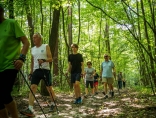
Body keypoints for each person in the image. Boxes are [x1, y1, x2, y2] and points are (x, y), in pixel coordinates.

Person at [0, 4, 30, 118]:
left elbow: (26, 42)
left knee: (4, 94)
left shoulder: (12, 23)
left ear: (1, 11)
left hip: (11, 65)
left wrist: (21, 58)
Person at [20, 33, 56, 117]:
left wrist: (43, 60)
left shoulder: (45, 46)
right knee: (32, 88)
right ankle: (30, 108)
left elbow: (51, 59)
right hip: (36, 70)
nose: (33, 39)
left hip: (45, 70)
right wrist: (31, 72)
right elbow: (32, 62)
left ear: (40, 38)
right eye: (33, 38)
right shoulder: (32, 49)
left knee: (49, 88)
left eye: (35, 37)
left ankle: (53, 103)